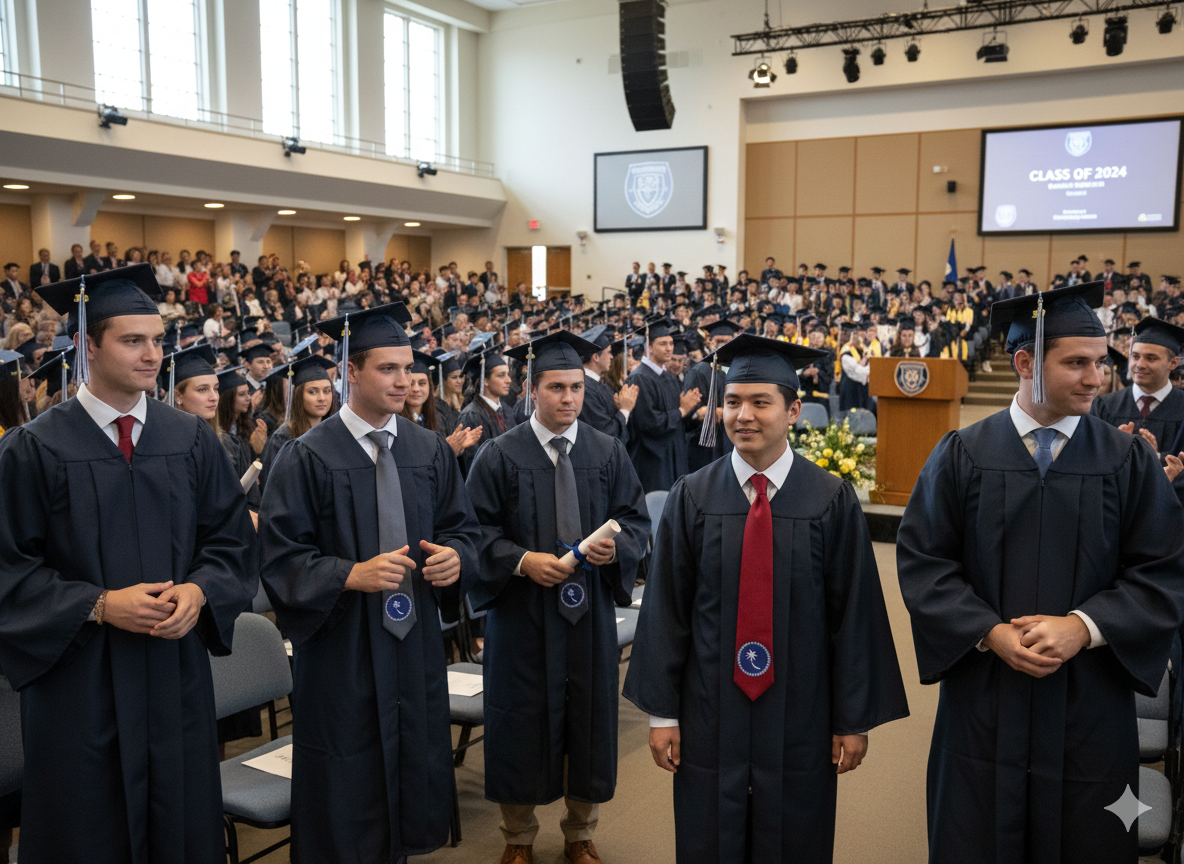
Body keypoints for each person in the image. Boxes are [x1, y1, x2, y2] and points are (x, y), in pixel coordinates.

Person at [897, 282, 1184, 864]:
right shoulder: (962, 454)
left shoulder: (1127, 461)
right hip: (985, 693)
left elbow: (1163, 569)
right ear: (1026, 363)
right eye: (1076, 363)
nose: (1096, 379)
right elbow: (925, 562)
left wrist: (1086, 625)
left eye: (1101, 363)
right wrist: (989, 631)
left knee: (1091, 834)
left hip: (1092, 699)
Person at [0, 264, 256, 862]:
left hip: (174, 674)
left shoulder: (190, 439)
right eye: (132, 340)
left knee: (181, 826)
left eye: (157, 340)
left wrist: (199, 592)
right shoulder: (35, 449)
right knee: (88, 832)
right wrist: (98, 604)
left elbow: (228, 543)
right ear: (89, 344)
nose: (151, 355)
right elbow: (9, 567)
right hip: (78, 684)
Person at [623, 334, 909, 864]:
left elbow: (854, 615)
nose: (743, 415)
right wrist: (662, 714)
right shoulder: (693, 496)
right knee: (709, 836)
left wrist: (853, 718)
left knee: (795, 836)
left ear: (793, 409)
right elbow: (668, 611)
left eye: (760, 402)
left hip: (803, 708)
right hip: (709, 706)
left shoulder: (830, 499)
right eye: (732, 401)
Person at [259, 302, 480, 863]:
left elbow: (462, 530)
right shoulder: (306, 456)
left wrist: (456, 558)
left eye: (409, 369)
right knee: (346, 775)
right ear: (350, 372)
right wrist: (349, 574)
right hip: (343, 648)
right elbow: (280, 558)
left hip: (415, 644)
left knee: (412, 762)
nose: (404, 381)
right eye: (388, 369)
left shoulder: (427, 448)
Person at [465, 331, 650, 864]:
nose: (568, 398)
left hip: (587, 615)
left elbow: (636, 520)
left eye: (574, 387)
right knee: (520, 721)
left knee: (587, 721)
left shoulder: (607, 450)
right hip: (522, 616)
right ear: (532, 389)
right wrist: (522, 562)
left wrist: (613, 552)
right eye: (555, 387)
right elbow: (474, 532)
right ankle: (517, 837)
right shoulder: (499, 455)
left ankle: (580, 832)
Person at [1090, 317, 1184, 457]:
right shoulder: (1103, 406)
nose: (1140, 364)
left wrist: (1156, 458)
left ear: (1173, 363)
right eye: (1135, 356)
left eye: (1151, 358)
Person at [625, 318, 700, 492]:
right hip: (653, 463)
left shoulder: (670, 378)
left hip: (674, 458)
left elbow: (679, 422)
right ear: (649, 347)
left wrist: (694, 413)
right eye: (662, 343)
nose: (669, 348)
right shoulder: (640, 378)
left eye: (671, 343)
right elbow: (649, 424)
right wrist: (682, 410)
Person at [258, 354, 338, 492]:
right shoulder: (283, 438)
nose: (322, 398)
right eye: (313, 392)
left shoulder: (336, 434)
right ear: (299, 396)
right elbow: (273, 488)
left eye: (327, 391)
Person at [683, 318, 741, 472]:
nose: (724, 344)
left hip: (732, 443)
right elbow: (689, 416)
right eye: (719, 340)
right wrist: (705, 412)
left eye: (728, 341)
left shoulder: (737, 369)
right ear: (709, 341)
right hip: (707, 448)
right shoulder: (700, 371)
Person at [400, 349, 481, 457]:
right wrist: (446, 450)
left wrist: (459, 448)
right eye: (411, 383)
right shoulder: (396, 424)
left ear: (430, 386)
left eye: (422, 383)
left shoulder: (437, 413)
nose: (416, 389)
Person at [457, 348, 519, 476]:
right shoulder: (471, 416)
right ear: (485, 381)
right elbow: (473, 466)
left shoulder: (507, 410)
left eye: (507, 374)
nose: (508, 380)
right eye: (501, 375)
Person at [577, 324, 635, 442]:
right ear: (596, 357)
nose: (611, 357)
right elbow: (606, 434)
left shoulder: (595, 384)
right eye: (608, 352)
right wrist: (624, 410)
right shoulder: (586, 389)